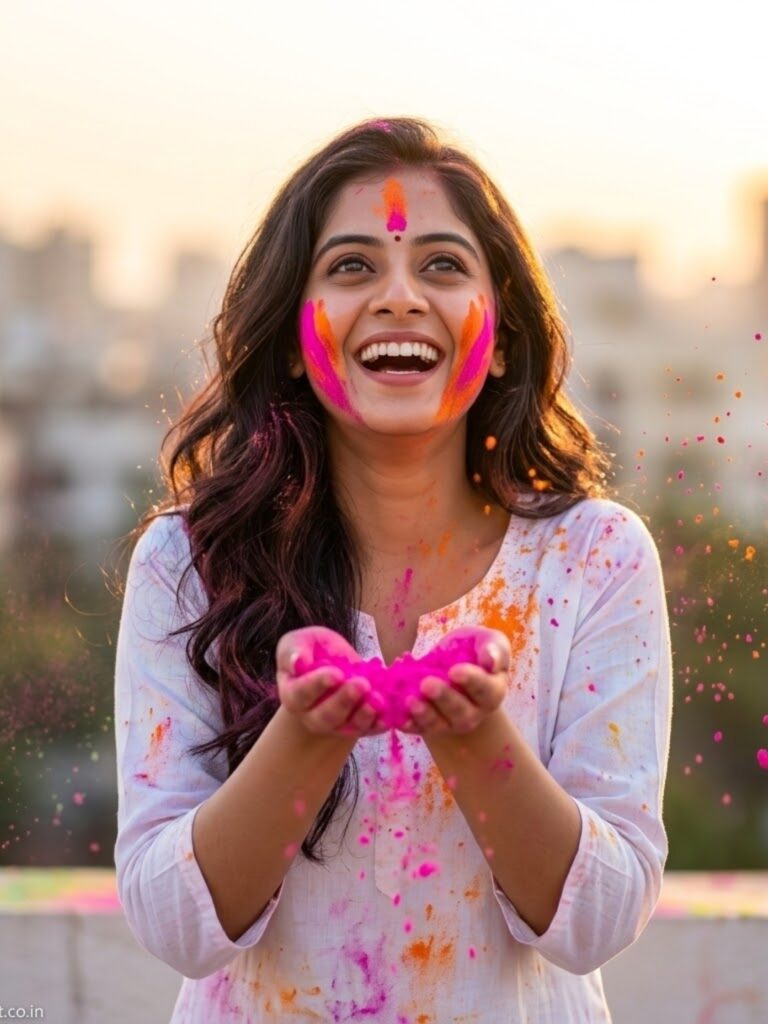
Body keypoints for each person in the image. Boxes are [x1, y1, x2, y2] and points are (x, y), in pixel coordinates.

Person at [114, 116, 672, 1023]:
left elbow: (601, 922)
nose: (401, 296)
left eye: (444, 265)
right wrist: (304, 735)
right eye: (351, 267)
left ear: (499, 333)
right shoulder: (189, 562)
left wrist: (477, 740)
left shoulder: (594, 557)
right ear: (294, 337)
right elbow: (173, 926)